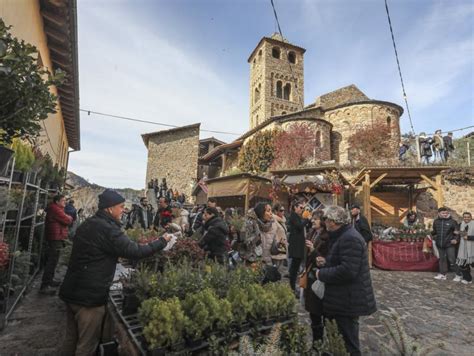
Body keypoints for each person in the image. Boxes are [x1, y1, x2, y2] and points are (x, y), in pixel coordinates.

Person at [59, 189, 170, 355]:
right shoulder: (107, 229)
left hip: (73, 289)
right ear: (109, 209)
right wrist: (162, 241)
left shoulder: (89, 223)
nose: (123, 210)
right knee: (86, 344)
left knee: (70, 339)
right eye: (120, 206)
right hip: (89, 297)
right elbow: (135, 251)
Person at [317, 206, 377, 355]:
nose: (325, 222)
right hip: (341, 298)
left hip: (347, 300)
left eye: (327, 219)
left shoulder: (349, 237)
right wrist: (326, 262)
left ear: (334, 222)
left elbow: (348, 271)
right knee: (338, 340)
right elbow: (345, 261)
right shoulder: (342, 235)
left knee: (349, 343)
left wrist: (322, 274)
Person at [303, 210, 330, 344]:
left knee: (322, 312)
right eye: (312, 218)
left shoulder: (327, 237)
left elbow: (323, 259)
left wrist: (313, 250)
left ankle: (324, 342)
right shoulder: (311, 233)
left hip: (321, 278)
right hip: (310, 275)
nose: (312, 221)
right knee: (313, 312)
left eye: (316, 219)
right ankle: (316, 343)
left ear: (323, 221)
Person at [40, 194, 73, 295]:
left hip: (56, 237)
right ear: (57, 201)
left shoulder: (55, 208)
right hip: (55, 237)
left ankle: (49, 281)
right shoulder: (55, 209)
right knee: (52, 260)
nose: (65, 202)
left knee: (54, 260)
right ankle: (45, 286)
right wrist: (69, 217)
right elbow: (68, 220)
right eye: (63, 200)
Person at [431, 207, 460, 280]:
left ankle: (458, 275)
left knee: (452, 259)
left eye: (446, 213)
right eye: (443, 213)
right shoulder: (436, 221)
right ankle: (442, 274)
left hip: (449, 244)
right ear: (439, 213)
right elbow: (434, 232)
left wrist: (455, 239)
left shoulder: (453, 222)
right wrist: (429, 235)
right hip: (440, 244)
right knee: (442, 259)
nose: (445, 214)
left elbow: (457, 233)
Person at [288, 201, 310, 293]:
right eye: (301, 208)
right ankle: (292, 288)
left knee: (295, 268)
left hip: (298, 246)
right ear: (295, 207)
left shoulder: (298, 216)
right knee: (294, 268)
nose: (302, 210)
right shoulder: (293, 216)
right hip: (296, 247)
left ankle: (293, 287)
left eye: (302, 208)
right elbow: (299, 226)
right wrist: (307, 219)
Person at [456, 212, 474, 284]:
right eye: (465, 217)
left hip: (472, 249)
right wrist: (457, 234)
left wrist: (469, 237)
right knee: (463, 264)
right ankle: (468, 279)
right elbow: (459, 233)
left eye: (468, 217)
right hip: (463, 248)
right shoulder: (461, 225)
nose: (466, 218)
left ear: (471, 217)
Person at [271, 203, 288, 269]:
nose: (283, 212)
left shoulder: (282, 221)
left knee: (280, 264)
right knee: (276, 264)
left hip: (282, 244)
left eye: (284, 210)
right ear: (275, 211)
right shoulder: (273, 220)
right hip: (277, 245)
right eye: (281, 210)